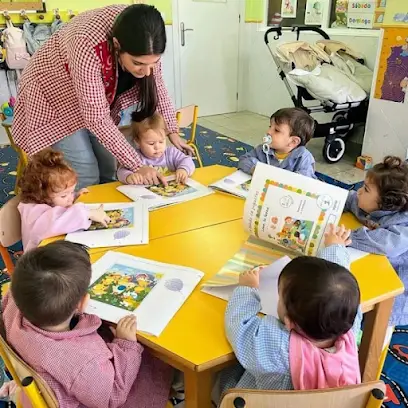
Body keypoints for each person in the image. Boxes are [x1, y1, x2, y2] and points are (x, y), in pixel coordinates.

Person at [12, 4, 193, 190]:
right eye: (138, 63)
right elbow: (97, 118)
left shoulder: (145, 31)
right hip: (53, 96)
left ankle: (111, 214)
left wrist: (173, 131)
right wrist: (138, 166)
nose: (147, 72)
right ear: (116, 45)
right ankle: (81, 216)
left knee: (109, 166)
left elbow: (158, 87)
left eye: (153, 63)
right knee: (85, 172)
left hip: (89, 97)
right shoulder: (86, 41)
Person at [1, 241, 173, 407]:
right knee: (154, 361)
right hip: (91, 395)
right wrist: (125, 345)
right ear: (82, 303)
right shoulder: (83, 363)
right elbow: (113, 396)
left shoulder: (13, 303)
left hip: (36, 367)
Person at [215, 225, 361, 399]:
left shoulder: (278, 346)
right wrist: (335, 247)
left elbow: (239, 327)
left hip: (258, 401)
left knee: (222, 376)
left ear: (289, 322)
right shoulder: (349, 323)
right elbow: (334, 288)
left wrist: (247, 289)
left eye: (280, 294)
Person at [344, 155, 408, 326]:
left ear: (385, 203)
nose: (359, 191)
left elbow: (389, 244)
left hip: (397, 289)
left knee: (381, 323)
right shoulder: (366, 202)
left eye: (365, 189)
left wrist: (348, 235)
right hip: (373, 267)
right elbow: (349, 198)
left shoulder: (403, 224)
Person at [18, 149, 110, 251]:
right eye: (64, 196)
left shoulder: (45, 197)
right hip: (41, 261)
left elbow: (57, 206)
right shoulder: (32, 210)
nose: (69, 198)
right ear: (41, 194)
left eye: (71, 192)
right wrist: (88, 213)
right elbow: (54, 221)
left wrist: (75, 196)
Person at [117, 112, 195, 185]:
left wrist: (183, 169)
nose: (157, 147)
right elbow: (121, 171)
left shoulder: (171, 153)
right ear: (137, 141)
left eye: (161, 141)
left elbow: (188, 160)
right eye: (151, 143)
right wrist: (128, 177)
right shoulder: (134, 157)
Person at [238, 108, 316, 178]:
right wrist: (255, 169)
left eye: (277, 130)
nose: (268, 132)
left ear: (293, 142)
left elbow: (305, 180)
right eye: (270, 127)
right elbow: (243, 160)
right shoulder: (263, 149)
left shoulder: (304, 158)